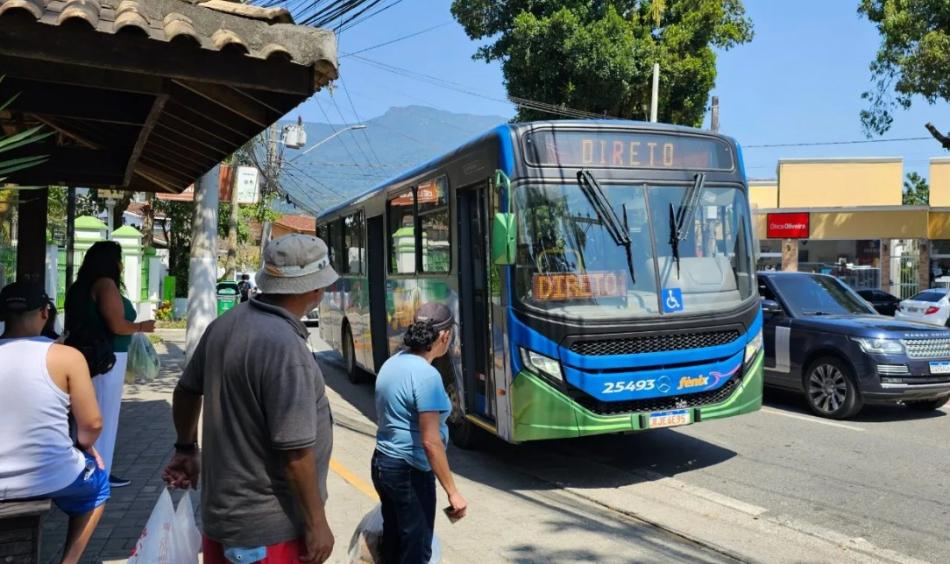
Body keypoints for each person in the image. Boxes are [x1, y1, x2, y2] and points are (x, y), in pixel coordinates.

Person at [164, 234, 338, 564]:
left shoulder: (225, 324)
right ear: (314, 289)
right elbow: (295, 451)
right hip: (269, 534)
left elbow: (186, 390)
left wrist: (185, 447)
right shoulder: (286, 349)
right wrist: (317, 524)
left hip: (223, 524)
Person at [0, 282, 110, 564]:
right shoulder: (67, 357)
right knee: (98, 488)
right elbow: (93, 422)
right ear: (45, 312)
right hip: (49, 475)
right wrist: (85, 447)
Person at [372, 302, 468, 564]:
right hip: (409, 472)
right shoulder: (426, 375)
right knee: (416, 551)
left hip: (382, 464)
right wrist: (453, 492)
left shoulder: (393, 362)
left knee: (393, 544)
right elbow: (430, 441)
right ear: (446, 335)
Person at [64, 241, 156, 488]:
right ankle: (98, 471)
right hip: (107, 358)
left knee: (79, 415)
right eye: (119, 258)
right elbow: (118, 325)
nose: (121, 264)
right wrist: (141, 326)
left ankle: (80, 467)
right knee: (103, 413)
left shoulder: (79, 288)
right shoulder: (106, 285)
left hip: (83, 355)